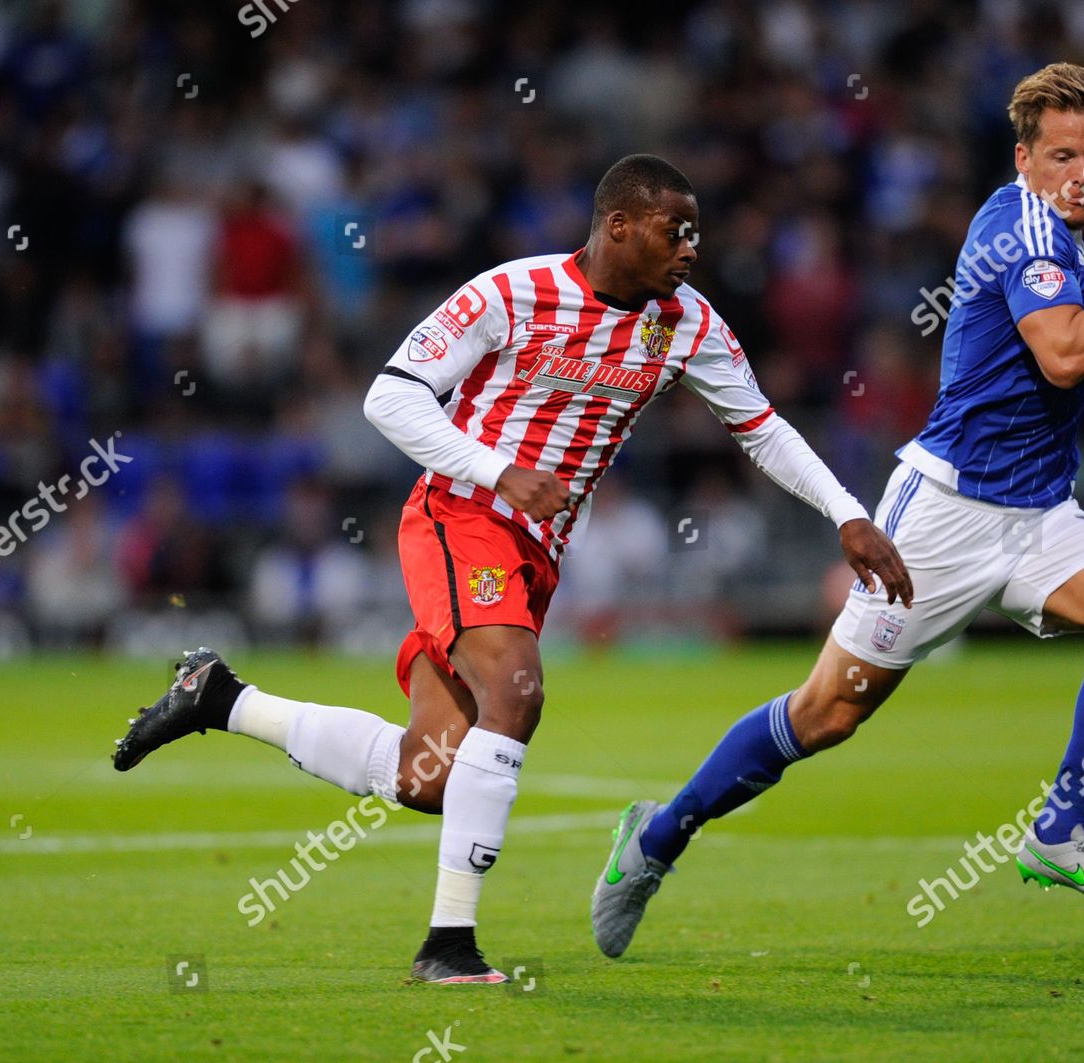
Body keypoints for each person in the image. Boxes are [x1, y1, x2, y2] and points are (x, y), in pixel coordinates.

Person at [111, 154, 911, 985]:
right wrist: (498, 472)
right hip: (460, 516)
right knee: (518, 691)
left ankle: (222, 699)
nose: (691, 249)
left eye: (696, 234)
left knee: (431, 774)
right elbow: (390, 396)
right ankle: (448, 944)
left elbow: (763, 427)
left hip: (537, 553)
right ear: (620, 226)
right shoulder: (510, 292)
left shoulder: (689, 323)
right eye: (678, 231)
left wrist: (848, 511)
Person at [592, 63, 1084, 959]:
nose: (1082, 174)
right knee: (826, 713)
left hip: (1040, 509)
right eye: (1060, 155)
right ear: (1023, 159)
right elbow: (1068, 358)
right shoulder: (1012, 226)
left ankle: (1058, 832)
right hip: (943, 512)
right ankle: (658, 836)